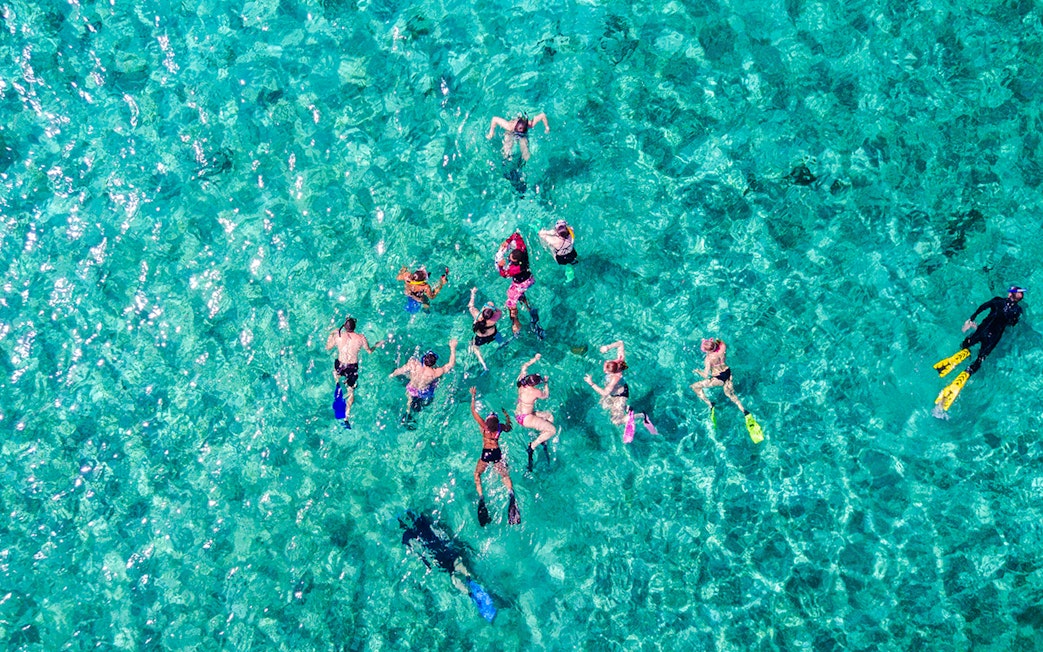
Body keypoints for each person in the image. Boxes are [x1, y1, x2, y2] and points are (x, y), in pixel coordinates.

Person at [934, 286, 1026, 411]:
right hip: (993, 338)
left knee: (966, 344)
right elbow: (1012, 323)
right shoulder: (1017, 310)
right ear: (1012, 295)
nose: (1021, 294)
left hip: (981, 330)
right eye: (1019, 292)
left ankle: (964, 352)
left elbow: (982, 308)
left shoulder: (997, 300)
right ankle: (967, 372)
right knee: (980, 359)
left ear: (1009, 294)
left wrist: (970, 320)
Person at [398, 509, 497, 622]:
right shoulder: (421, 520)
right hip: (448, 552)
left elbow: (419, 553)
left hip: (443, 559)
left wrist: (427, 565)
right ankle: (473, 588)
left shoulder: (407, 535)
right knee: (461, 572)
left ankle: (472, 592)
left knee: (457, 577)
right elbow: (440, 527)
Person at [691, 338, 763, 442]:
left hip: (718, 378)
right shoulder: (722, 347)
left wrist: (698, 371)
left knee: (695, 386)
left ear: (707, 351)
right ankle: (745, 412)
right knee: (731, 396)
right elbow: (719, 340)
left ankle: (710, 404)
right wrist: (714, 340)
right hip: (728, 373)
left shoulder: (708, 359)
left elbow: (706, 375)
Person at [583, 340, 655, 442]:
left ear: (612, 372)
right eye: (605, 364)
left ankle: (642, 415)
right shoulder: (620, 362)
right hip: (614, 392)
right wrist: (608, 347)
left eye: (606, 370)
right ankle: (626, 408)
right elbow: (621, 343)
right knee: (603, 405)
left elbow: (605, 393)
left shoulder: (614, 379)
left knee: (615, 421)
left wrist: (591, 383)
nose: (604, 370)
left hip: (620, 396)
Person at [469, 387, 520, 526]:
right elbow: (509, 426)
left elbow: (473, 411)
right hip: (497, 453)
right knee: (504, 476)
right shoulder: (500, 427)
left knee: (477, 475)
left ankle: (481, 497)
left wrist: (473, 396)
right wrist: (506, 415)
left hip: (486, 453)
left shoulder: (484, 427)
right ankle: (511, 493)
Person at [325, 316, 378, 428]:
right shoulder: (360, 337)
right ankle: (346, 417)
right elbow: (369, 351)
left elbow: (328, 347)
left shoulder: (338, 336)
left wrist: (331, 334)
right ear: (355, 327)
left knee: (336, 376)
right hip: (352, 367)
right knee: (351, 392)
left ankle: (337, 387)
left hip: (340, 365)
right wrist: (376, 345)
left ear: (344, 326)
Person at [390, 339, 458, 424]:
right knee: (432, 388)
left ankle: (407, 413)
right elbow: (451, 364)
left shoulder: (414, 364)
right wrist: (453, 348)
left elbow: (401, 370)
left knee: (409, 401)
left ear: (424, 359)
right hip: (424, 392)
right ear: (433, 364)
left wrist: (392, 375)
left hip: (412, 388)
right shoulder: (435, 372)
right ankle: (413, 415)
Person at [514, 354, 556, 471]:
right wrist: (546, 383)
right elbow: (546, 396)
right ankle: (532, 446)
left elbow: (524, 366)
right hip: (527, 418)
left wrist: (534, 359)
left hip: (519, 414)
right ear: (535, 384)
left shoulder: (521, 383)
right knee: (552, 430)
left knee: (549, 416)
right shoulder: (535, 391)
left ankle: (543, 440)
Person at [496, 232, 535, 334]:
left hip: (519, 284)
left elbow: (504, 274)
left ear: (517, 262)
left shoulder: (515, 268)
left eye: (511, 260)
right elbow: (517, 235)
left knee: (510, 302)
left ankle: (515, 322)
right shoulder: (522, 249)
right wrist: (508, 241)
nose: (509, 259)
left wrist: (500, 266)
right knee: (520, 294)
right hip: (529, 279)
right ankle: (528, 307)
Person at [468, 288, 502, 371]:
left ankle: (484, 364)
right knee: (500, 340)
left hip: (480, 338)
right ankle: (502, 344)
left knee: (474, 347)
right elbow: (499, 311)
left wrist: (473, 293)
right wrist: (493, 308)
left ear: (483, 310)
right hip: (493, 335)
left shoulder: (477, 315)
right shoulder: (495, 318)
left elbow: (470, 306)